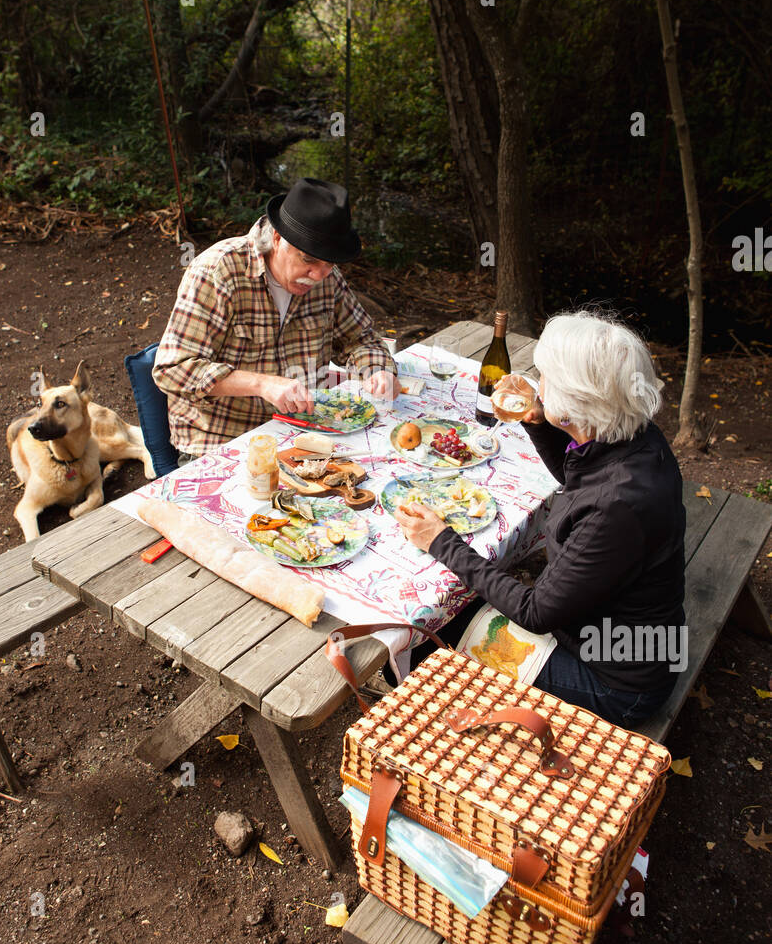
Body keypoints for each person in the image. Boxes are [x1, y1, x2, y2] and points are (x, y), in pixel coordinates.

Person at [394, 311, 686, 725]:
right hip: (630, 640)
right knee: (468, 591)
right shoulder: (633, 435)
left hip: (618, 686)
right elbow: (577, 479)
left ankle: (437, 738)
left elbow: (536, 613)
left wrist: (441, 540)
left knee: (430, 633)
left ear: (577, 401)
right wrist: (539, 420)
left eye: (545, 377)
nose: (538, 384)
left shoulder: (616, 506)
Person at [153, 178, 400, 462]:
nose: (319, 275)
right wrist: (262, 384)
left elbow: (362, 339)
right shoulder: (218, 271)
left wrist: (378, 369)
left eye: (329, 264)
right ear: (278, 239)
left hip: (300, 432)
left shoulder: (326, 278)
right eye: (308, 260)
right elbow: (171, 370)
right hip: (222, 440)